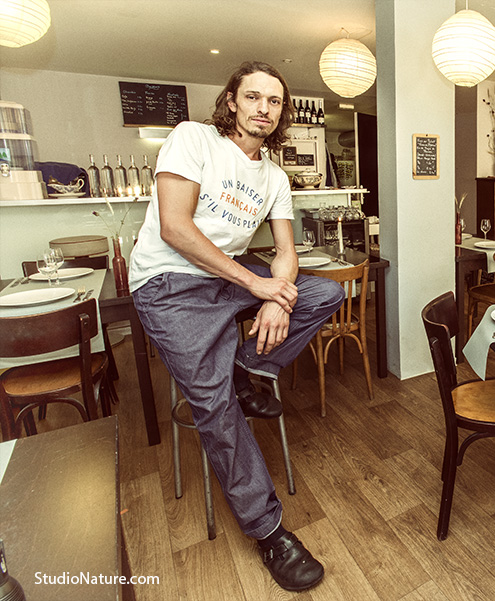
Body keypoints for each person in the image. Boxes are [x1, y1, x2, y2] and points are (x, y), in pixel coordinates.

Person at [128, 61, 344, 592]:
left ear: (281, 112)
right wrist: (256, 287)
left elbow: (288, 255)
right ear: (231, 101)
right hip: (168, 284)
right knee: (216, 408)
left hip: (227, 281)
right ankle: (269, 531)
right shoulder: (192, 139)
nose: (263, 109)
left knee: (325, 291)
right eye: (253, 97)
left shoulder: (274, 177)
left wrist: (277, 299)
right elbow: (177, 229)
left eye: (274, 102)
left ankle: (245, 364)